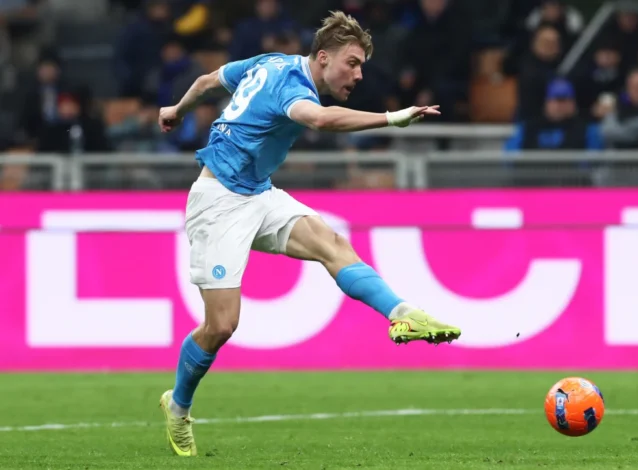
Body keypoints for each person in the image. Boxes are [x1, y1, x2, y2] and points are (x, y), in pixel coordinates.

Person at [155, 10, 461, 457]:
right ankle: (178, 405)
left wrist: (175, 110)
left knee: (332, 244)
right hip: (217, 202)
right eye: (351, 63)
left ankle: (403, 313)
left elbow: (206, 82)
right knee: (221, 326)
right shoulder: (292, 87)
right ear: (322, 57)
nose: (358, 74)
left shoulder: (268, 62)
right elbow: (320, 119)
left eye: (361, 66)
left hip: (258, 194)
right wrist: (393, 118)